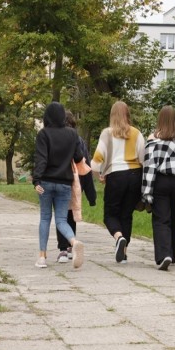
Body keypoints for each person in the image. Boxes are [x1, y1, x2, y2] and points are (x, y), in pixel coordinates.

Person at [142, 105, 175, 271]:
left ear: (160, 120)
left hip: (161, 182)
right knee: (173, 218)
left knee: (161, 219)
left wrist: (146, 194)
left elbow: (149, 169)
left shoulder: (153, 142)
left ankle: (163, 255)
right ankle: (172, 255)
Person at [33, 102, 86, 269]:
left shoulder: (43, 134)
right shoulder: (72, 134)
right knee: (62, 220)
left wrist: (36, 180)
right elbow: (78, 157)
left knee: (45, 218)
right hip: (65, 184)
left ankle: (42, 257)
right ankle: (74, 241)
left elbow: (41, 159)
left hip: (46, 183)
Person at [91, 101, 145, 263]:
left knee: (110, 214)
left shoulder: (107, 133)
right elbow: (144, 159)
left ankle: (118, 237)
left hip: (115, 176)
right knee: (126, 215)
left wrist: (98, 175)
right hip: (135, 175)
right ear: (128, 114)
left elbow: (96, 161)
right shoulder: (137, 133)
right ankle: (124, 252)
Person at [55, 111, 97, 263]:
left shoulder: (55, 138)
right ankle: (71, 246)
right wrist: (91, 195)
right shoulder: (79, 140)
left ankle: (62, 250)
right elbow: (85, 166)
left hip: (59, 179)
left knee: (61, 215)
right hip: (76, 182)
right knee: (70, 215)